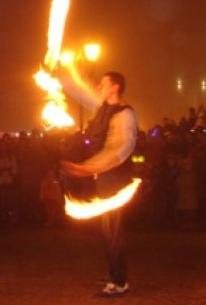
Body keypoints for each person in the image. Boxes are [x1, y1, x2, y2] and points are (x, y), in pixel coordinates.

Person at [60, 71, 138, 297]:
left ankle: (120, 281)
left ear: (115, 88)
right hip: (103, 177)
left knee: (113, 232)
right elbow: (80, 92)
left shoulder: (126, 115)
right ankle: (113, 274)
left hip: (115, 180)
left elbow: (122, 150)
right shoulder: (103, 108)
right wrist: (62, 75)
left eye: (104, 84)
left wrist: (90, 168)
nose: (99, 87)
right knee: (105, 231)